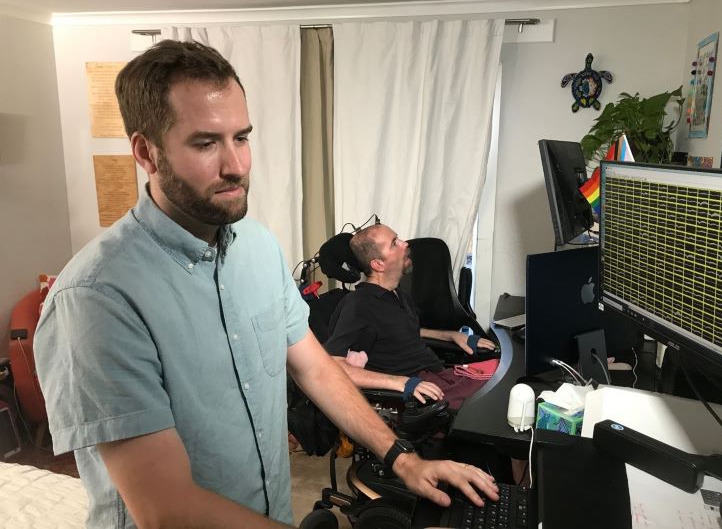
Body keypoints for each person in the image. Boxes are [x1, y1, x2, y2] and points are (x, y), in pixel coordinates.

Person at [33, 40, 498, 529]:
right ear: (146, 152)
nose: (236, 165)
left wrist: (403, 459)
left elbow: (315, 369)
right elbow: (166, 510)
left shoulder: (257, 246)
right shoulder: (95, 299)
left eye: (242, 137)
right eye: (206, 143)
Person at [326, 224, 496, 409]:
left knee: (500, 373)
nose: (404, 244)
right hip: (417, 392)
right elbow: (334, 365)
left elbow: (405, 330)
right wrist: (400, 383)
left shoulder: (398, 294)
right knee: (492, 405)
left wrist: (451, 335)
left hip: (437, 373)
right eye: (394, 243)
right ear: (378, 264)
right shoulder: (358, 304)